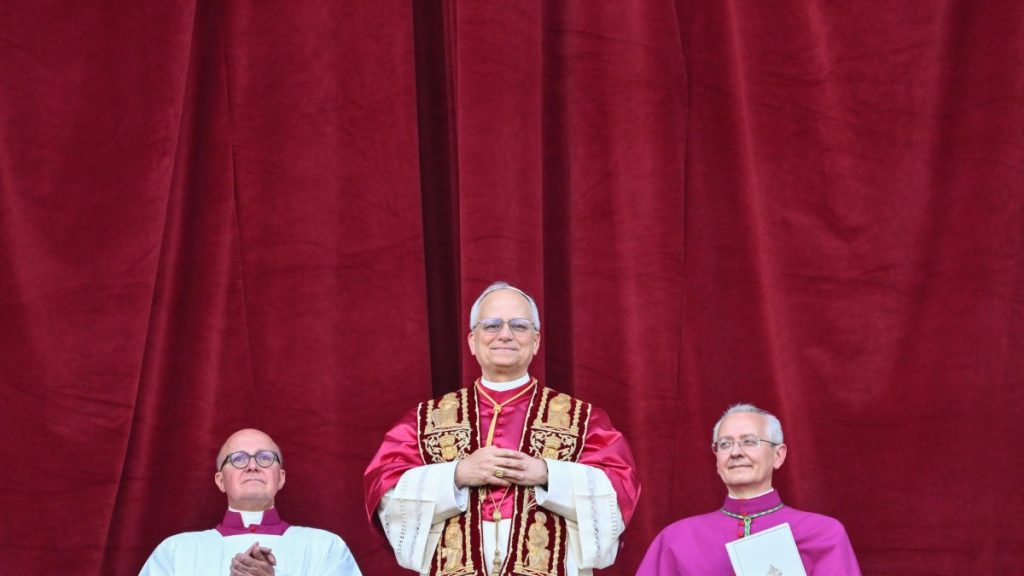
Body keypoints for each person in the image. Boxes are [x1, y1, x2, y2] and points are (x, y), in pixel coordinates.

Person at [364, 281, 640, 576]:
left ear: (536, 341)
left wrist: (549, 474)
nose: (505, 335)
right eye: (492, 325)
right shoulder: (425, 420)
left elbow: (619, 491)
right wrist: (455, 475)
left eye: (519, 326)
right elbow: (384, 491)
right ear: (472, 341)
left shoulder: (583, 419)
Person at [636, 403, 861, 575]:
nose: (735, 452)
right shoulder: (675, 539)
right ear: (717, 459)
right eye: (725, 444)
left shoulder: (824, 534)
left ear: (778, 455)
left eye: (749, 441)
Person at [140, 428, 362, 575]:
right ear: (220, 481)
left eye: (265, 458)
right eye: (238, 459)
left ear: (281, 478)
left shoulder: (325, 547)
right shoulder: (176, 551)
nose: (252, 466)